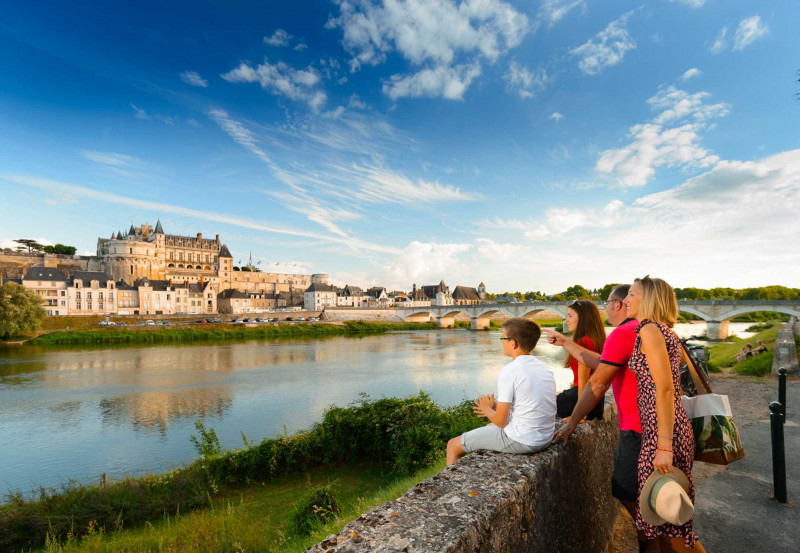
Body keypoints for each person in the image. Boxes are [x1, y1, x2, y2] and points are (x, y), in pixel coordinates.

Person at [544, 285, 647, 550]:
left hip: (638, 427)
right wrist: (566, 341)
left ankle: (655, 538)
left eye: (610, 302)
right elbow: (602, 363)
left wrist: (575, 418)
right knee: (646, 500)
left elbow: (597, 382)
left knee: (633, 497)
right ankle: (653, 540)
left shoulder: (625, 332)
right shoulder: (648, 330)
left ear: (621, 305)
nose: (607, 307)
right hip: (645, 424)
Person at [624, 276, 704, 552]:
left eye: (632, 295)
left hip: (664, 434)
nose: (626, 300)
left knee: (672, 524)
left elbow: (666, 390)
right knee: (662, 517)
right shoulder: (663, 330)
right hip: (663, 430)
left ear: (648, 299)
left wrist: (664, 446)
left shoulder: (649, 329)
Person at [446, 318, 556, 465]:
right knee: (489, 428)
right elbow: (529, 405)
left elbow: (501, 421)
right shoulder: (544, 368)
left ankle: (455, 487)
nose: (502, 342)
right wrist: (496, 406)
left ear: (513, 343)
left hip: (524, 441)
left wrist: (486, 409)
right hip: (545, 437)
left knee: (453, 445)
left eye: (503, 338)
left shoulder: (510, 371)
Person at [556, 299, 607, 422]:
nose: (566, 320)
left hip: (580, 401)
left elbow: (584, 382)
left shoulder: (584, 342)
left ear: (583, 318)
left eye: (570, 316)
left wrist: (580, 415)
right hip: (595, 400)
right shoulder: (597, 339)